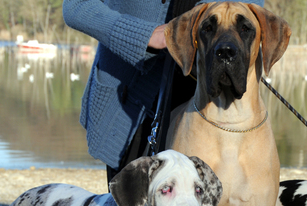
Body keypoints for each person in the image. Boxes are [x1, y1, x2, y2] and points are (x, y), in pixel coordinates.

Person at [62, 0, 264, 183]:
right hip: (129, 103)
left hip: (211, 103)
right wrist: (143, 35)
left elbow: (250, 11)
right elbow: (75, 6)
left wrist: (209, 14)